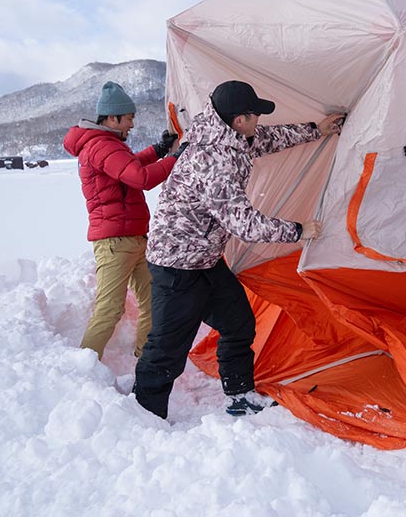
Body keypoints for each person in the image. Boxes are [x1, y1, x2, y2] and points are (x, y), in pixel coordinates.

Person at [133, 80, 345, 420]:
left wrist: (315, 130)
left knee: (239, 323)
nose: (258, 120)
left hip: (204, 259)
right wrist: (298, 230)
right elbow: (244, 224)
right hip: (176, 265)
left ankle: (240, 395)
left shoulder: (228, 137)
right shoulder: (214, 162)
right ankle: (143, 416)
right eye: (254, 114)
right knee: (167, 347)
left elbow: (266, 139)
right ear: (239, 120)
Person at [64, 81, 179, 360]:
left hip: (132, 238)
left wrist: (158, 150)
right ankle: (80, 368)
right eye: (129, 118)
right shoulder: (102, 146)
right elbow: (141, 178)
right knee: (110, 308)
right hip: (116, 242)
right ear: (113, 118)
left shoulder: (107, 145)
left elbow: (128, 168)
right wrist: (177, 157)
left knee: (154, 300)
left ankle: (145, 359)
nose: (132, 124)